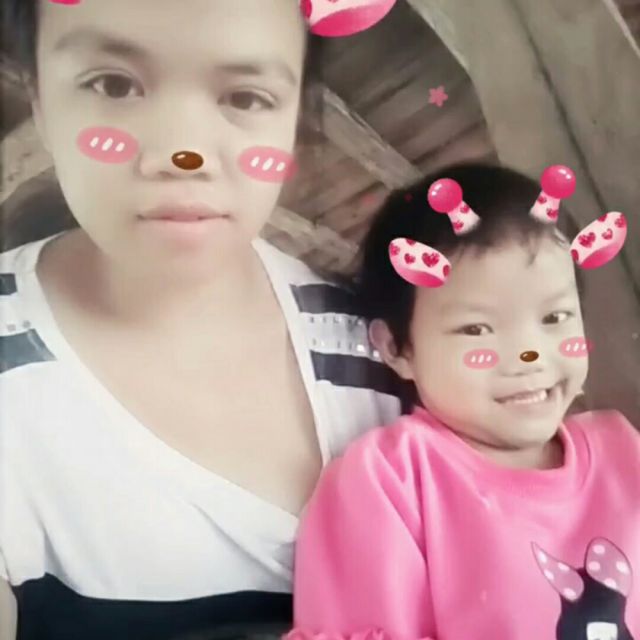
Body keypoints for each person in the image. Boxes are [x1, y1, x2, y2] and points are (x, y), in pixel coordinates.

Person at [0, 1, 403, 638]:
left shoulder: (392, 356)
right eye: (113, 85)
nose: (182, 155)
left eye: (246, 97)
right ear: (41, 102)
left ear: (295, 117)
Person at [288, 164, 640, 639]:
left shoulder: (623, 451)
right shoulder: (392, 481)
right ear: (397, 348)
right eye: (477, 329)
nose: (529, 355)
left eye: (555, 317)